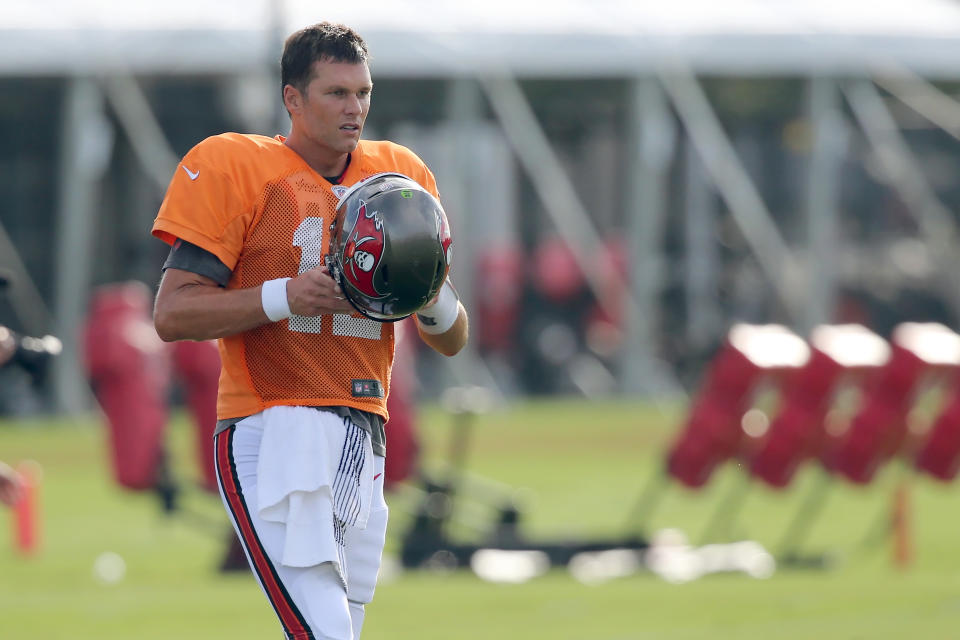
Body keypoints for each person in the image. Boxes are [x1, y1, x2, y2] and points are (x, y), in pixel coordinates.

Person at [151, 21, 468, 640]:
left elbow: (451, 336)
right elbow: (173, 312)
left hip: (364, 430)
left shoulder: (398, 176)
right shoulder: (238, 164)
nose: (355, 108)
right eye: (335, 93)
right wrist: (282, 297)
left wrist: (424, 292)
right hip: (274, 424)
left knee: (335, 630)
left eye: (362, 92)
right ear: (292, 98)